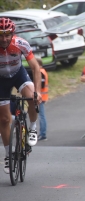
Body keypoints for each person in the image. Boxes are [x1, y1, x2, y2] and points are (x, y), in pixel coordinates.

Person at [0, 18, 42, 174]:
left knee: (31, 97)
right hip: (1, 80)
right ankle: (8, 155)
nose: (4, 39)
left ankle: (32, 128)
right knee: (4, 119)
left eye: (7, 35)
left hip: (19, 75)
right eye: (0, 35)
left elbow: (35, 68)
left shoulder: (20, 44)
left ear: (12, 33)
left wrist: (37, 91)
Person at [36, 57, 49, 141]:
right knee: (41, 115)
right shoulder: (42, 72)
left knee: (41, 116)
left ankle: (43, 134)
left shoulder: (40, 73)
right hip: (42, 96)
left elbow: (42, 85)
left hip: (40, 97)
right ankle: (42, 133)